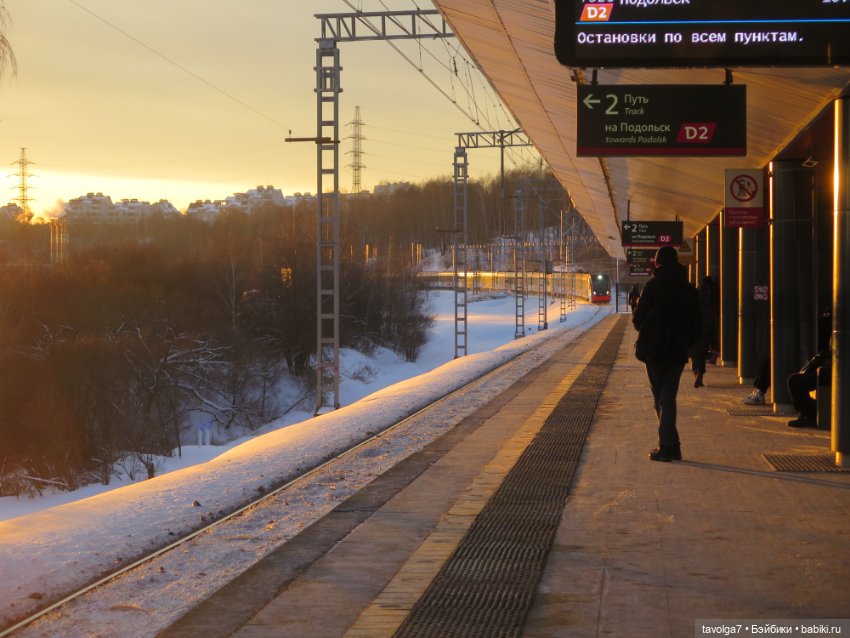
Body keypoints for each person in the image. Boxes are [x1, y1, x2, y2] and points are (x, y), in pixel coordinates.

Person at [632, 245, 702, 462]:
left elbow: (637, 320)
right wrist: (686, 344)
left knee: (662, 399)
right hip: (677, 352)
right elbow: (697, 323)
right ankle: (673, 445)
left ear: (658, 263)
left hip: (654, 352)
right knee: (667, 397)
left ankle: (667, 447)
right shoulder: (689, 289)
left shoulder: (653, 286)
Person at [787, 310, 832, 429]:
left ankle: (810, 414)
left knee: (795, 381)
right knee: (797, 379)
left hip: (834, 370)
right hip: (831, 367)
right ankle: (808, 413)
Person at [689, 276, 718, 388]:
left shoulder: (697, 294)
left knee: (695, 354)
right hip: (708, 327)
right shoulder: (711, 294)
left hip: (696, 328)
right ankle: (700, 374)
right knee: (702, 353)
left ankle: (697, 373)